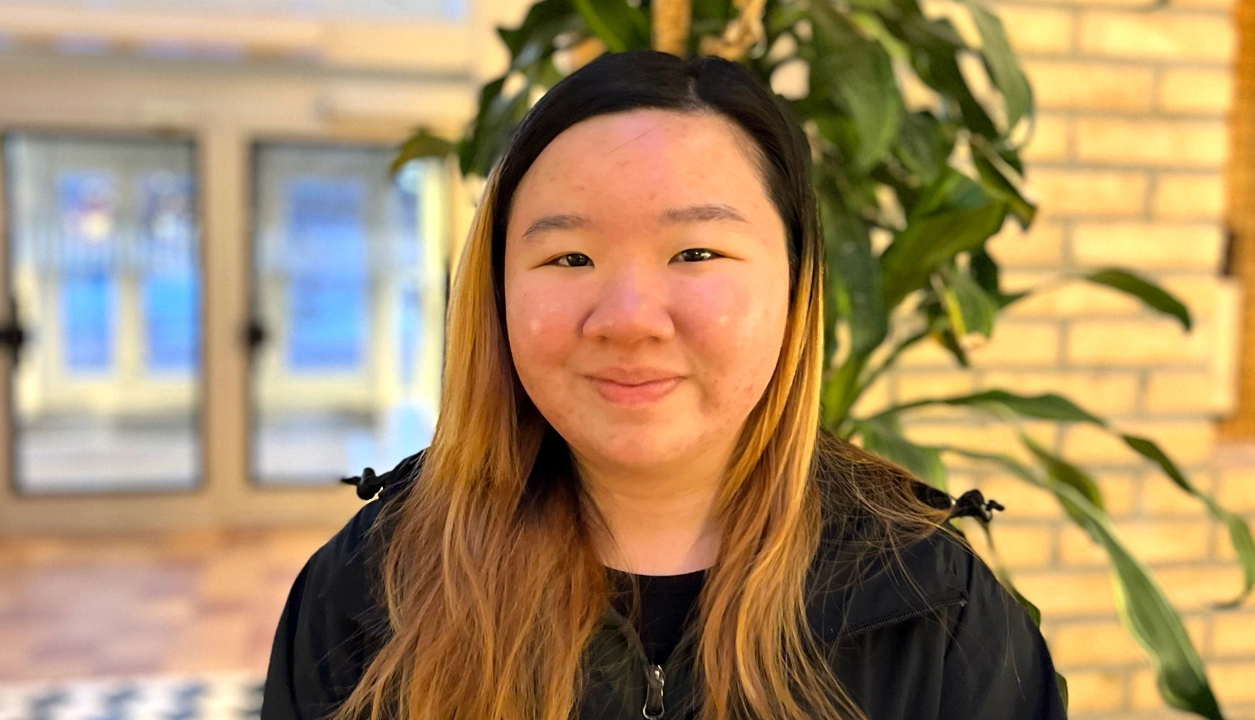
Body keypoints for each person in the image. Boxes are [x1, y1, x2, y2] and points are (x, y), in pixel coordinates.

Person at [261, 49, 1067, 720]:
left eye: (696, 253)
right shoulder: (370, 593)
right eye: (568, 258)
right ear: (496, 292)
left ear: (797, 286)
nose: (628, 319)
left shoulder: (933, 608)